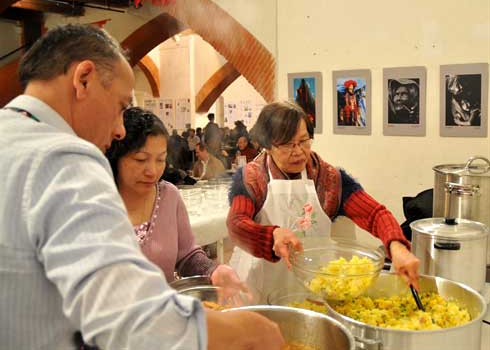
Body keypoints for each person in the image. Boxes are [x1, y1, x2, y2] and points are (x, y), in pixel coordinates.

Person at [0, 24, 284, 349]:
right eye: (121, 106)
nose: (120, 130)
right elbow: (125, 311)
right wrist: (242, 331)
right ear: (83, 79)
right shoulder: (63, 157)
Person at [227, 101, 420, 302]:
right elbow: (236, 223)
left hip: (315, 283)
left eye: (304, 141)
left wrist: (397, 247)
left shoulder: (328, 179)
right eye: (287, 145)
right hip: (262, 282)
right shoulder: (252, 178)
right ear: (267, 146)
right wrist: (271, 235)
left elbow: (374, 214)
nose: (299, 151)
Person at [106, 107, 247, 295]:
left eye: (160, 160)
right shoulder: (99, 201)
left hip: (165, 315)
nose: (152, 171)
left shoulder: (168, 196)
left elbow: (187, 254)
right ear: (117, 157)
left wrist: (212, 270)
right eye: (141, 160)